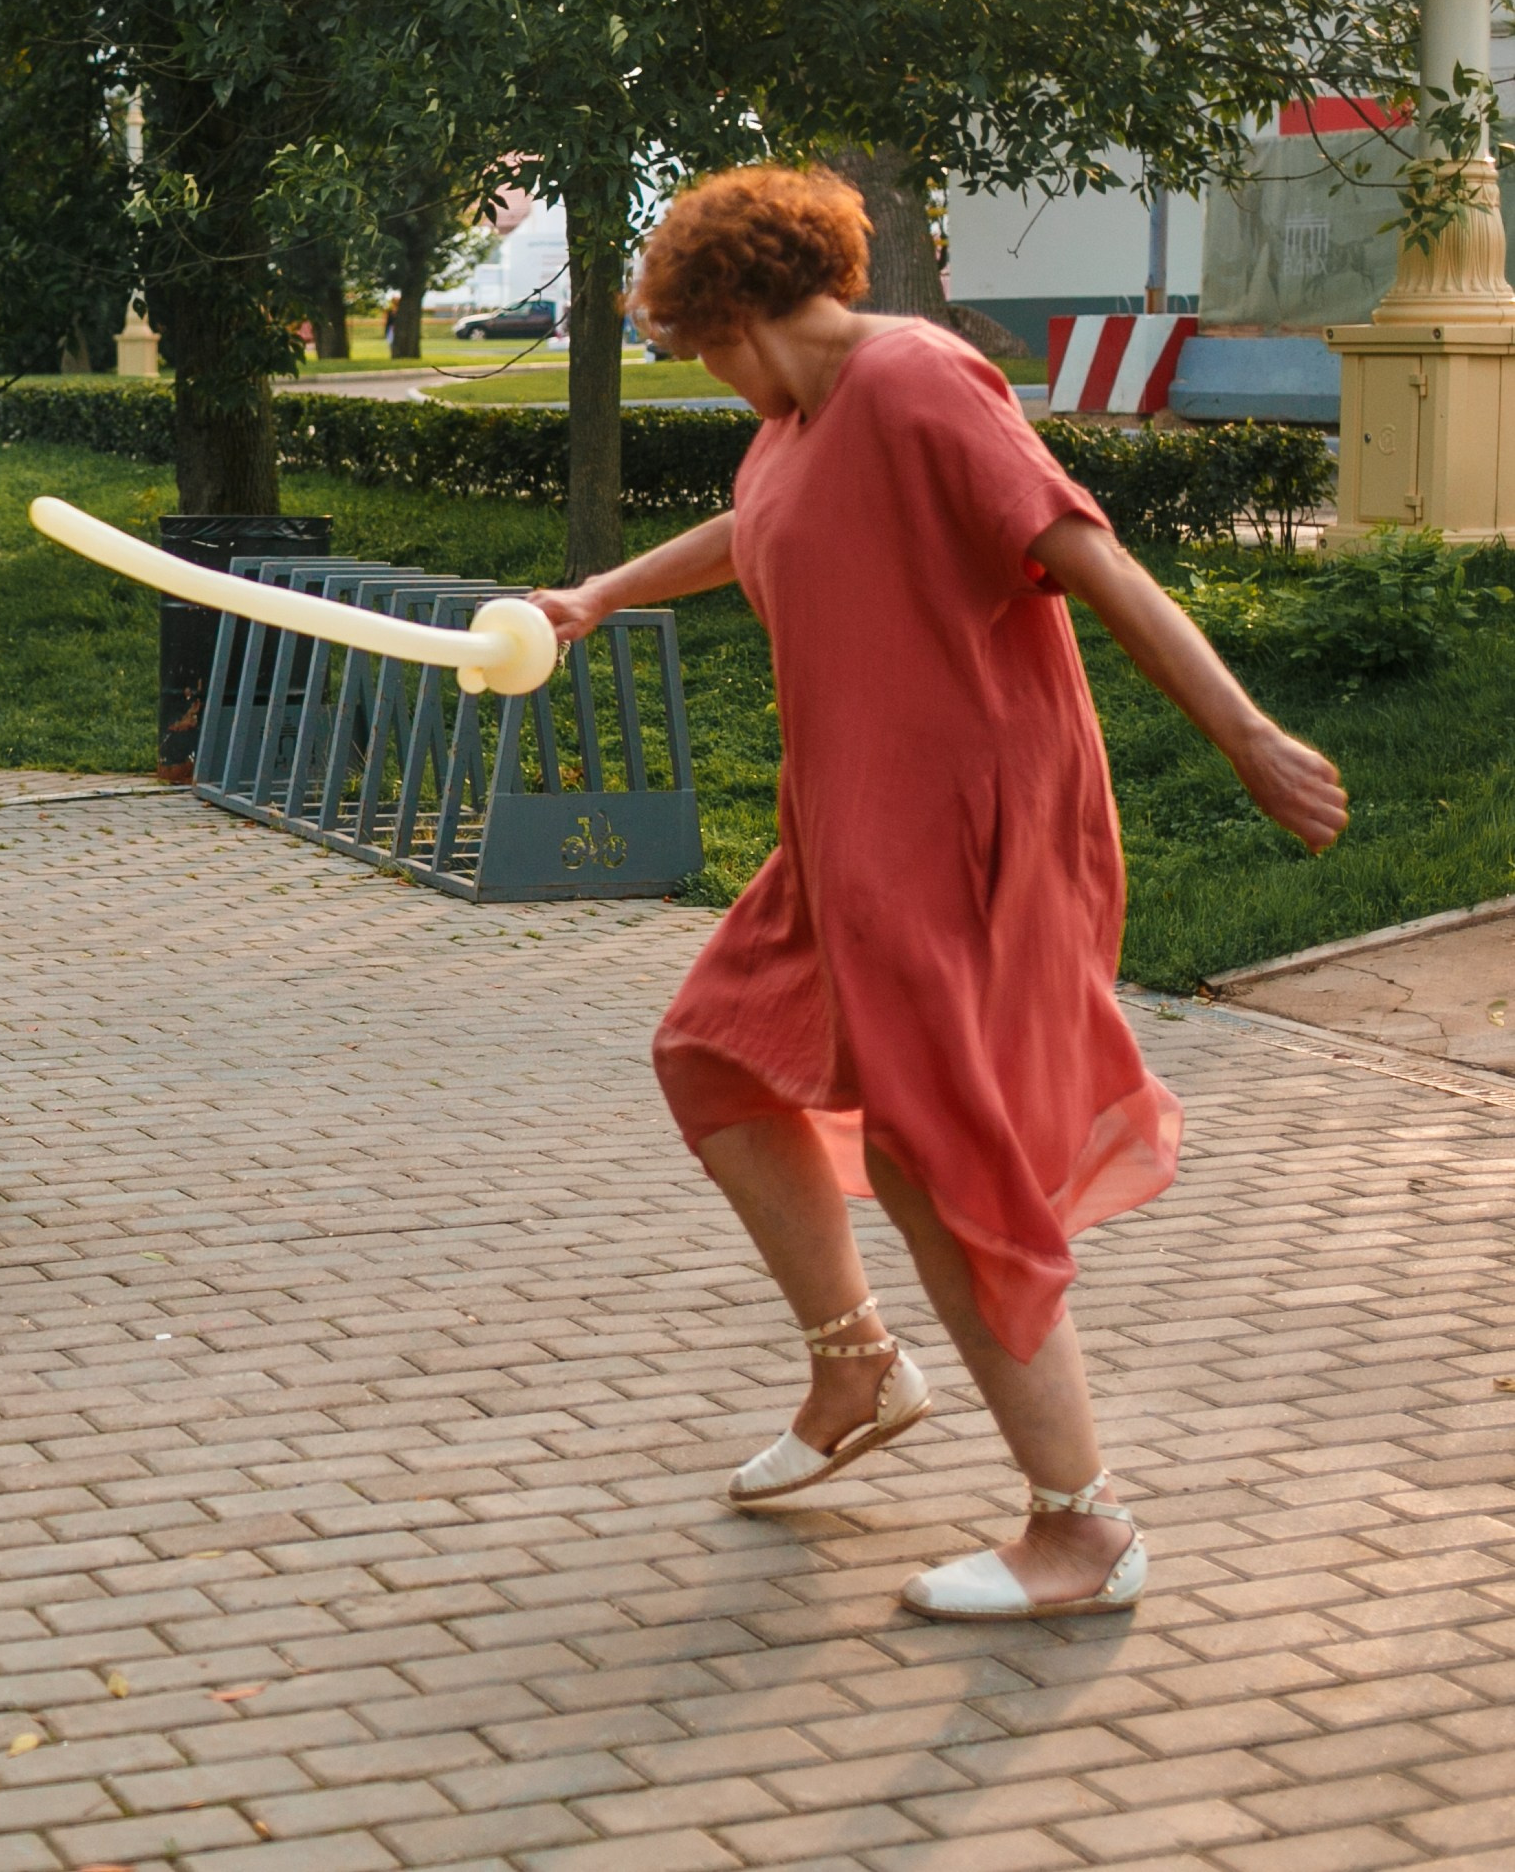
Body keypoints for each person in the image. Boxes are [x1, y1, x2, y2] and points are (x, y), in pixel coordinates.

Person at [533, 167, 1346, 1621]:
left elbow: (1086, 553)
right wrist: (598, 594)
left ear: (729, 313)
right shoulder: (793, 421)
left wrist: (1248, 736)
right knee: (712, 1049)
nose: (698, 366)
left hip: (961, 828)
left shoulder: (914, 381)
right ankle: (855, 1362)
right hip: (841, 829)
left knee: (933, 1153)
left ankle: (1082, 1526)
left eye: (688, 337)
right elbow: (761, 534)